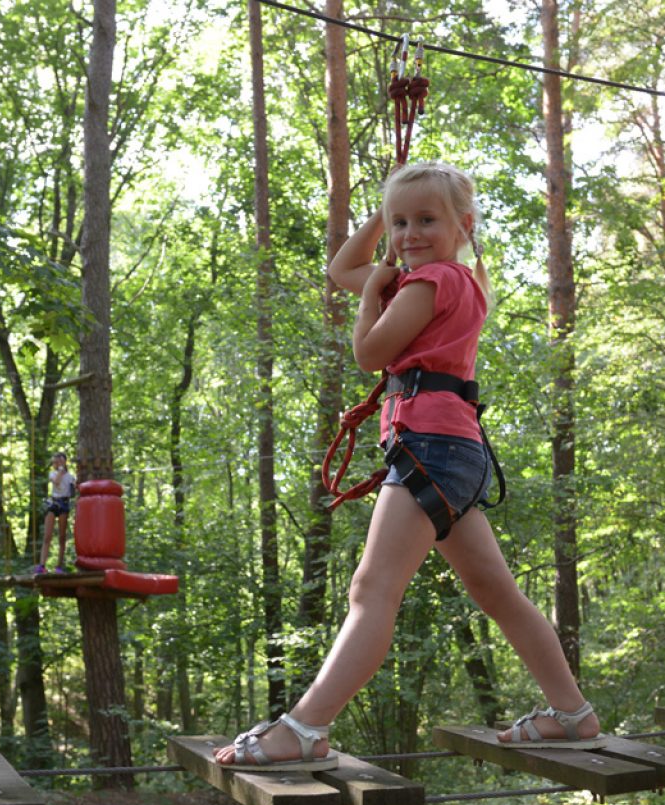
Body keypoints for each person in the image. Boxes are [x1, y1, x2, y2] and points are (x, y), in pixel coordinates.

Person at [215, 162, 601, 771]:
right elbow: (341, 268)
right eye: (400, 223)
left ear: (463, 226)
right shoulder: (447, 279)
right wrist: (388, 215)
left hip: (431, 449)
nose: (410, 234)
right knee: (496, 593)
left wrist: (373, 293)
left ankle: (306, 727)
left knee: (372, 590)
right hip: (453, 451)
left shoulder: (430, 282)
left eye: (427, 220)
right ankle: (573, 713)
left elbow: (370, 353)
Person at [35, 452, 76, 574]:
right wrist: (61, 469)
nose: (55, 464)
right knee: (47, 536)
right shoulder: (53, 474)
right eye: (54, 462)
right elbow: (57, 482)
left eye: (57, 462)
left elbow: (74, 491)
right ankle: (42, 565)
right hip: (54, 503)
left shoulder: (70, 477)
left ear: (63, 462)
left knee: (62, 537)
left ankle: (59, 566)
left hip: (64, 504)